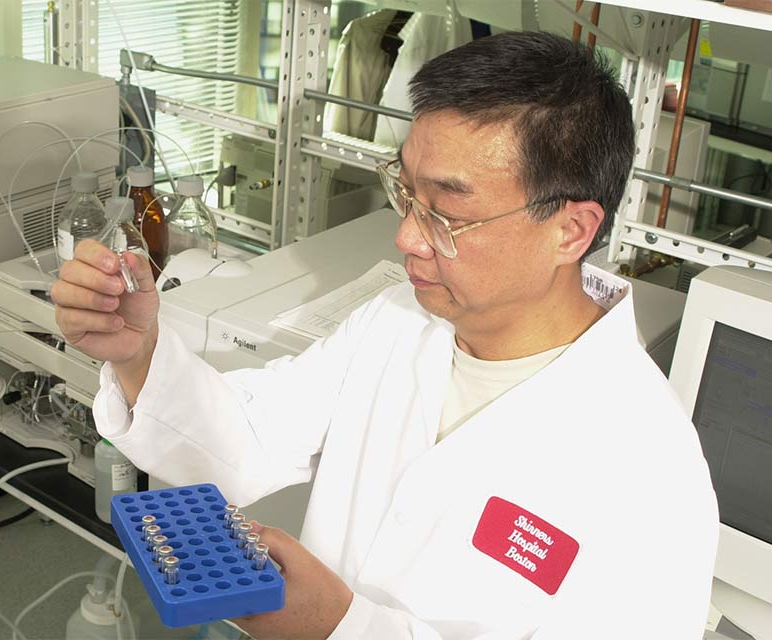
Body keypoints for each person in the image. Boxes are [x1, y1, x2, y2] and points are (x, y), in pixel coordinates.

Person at [52, 31, 719, 639]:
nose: (405, 238)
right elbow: (245, 440)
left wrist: (338, 627)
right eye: (406, 193)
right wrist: (140, 354)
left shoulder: (650, 468)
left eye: (447, 215)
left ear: (570, 230)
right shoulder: (397, 320)